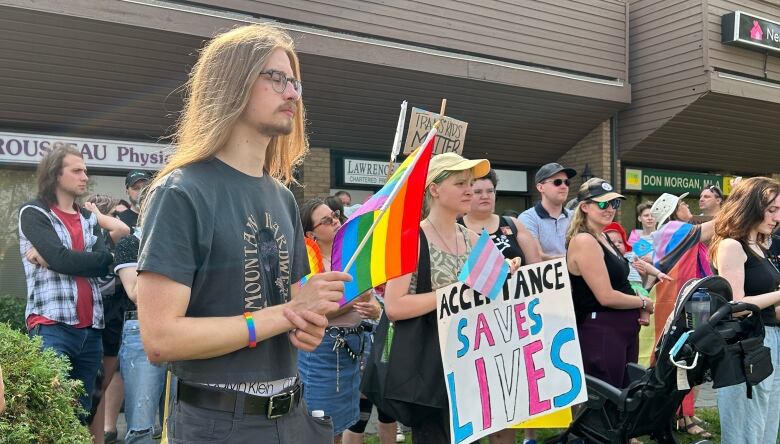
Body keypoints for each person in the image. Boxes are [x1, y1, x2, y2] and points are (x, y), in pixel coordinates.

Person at [136, 24, 351, 443]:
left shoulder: (283, 197)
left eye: (294, 82)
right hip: (217, 422)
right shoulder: (181, 192)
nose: (292, 93)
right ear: (230, 83)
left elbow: (292, 305)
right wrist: (285, 314)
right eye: (275, 78)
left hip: (295, 414)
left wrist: (311, 322)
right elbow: (160, 338)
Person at [384, 152, 492, 443]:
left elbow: (489, 296)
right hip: (431, 369)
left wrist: (506, 275)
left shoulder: (473, 238)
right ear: (434, 189)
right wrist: (453, 293)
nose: (470, 189)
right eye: (460, 183)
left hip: (470, 363)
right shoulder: (410, 239)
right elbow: (394, 306)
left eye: (471, 182)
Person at [18, 146, 113, 426]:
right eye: (77, 170)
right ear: (55, 174)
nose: (85, 176)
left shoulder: (88, 218)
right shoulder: (33, 213)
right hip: (52, 325)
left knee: (82, 415)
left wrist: (59, 260)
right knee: (52, 414)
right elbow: (64, 257)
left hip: (91, 329)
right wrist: (66, 259)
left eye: (85, 170)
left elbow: (105, 262)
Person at [458, 168, 542, 444]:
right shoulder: (455, 227)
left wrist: (519, 271)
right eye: (478, 191)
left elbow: (539, 268)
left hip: (511, 327)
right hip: (470, 328)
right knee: (471, 403)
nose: (484, 196)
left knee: (506, 403)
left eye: (489, 191)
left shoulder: (513, 224)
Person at [297, 198, 381, 442]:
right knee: (318, 424)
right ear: (311, 234)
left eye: (334, 215)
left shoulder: (352, 256)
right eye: (326, 220)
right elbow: (312, 311)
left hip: (351, 351)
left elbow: (371, 300)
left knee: (340, 424)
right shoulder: (306, 264)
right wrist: (354, 300)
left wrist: (374, 310)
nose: (335, 221)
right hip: (322, 351)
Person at [709, 177, 780, 444]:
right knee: (745, 427)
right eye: (771, 210)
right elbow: (736, 306)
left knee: (765, 425)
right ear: (750, 206)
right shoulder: (731, 245)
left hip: (768, 338)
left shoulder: (759, 246)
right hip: (744, 346)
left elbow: (768, 306)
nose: (777, 217)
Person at [566, 178, 654, 389]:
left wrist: (640, 304)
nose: (610, 209)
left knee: (625, 397)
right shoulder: (584, 241)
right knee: (607, 403)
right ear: (585, 207)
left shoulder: (603, 236)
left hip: (621, 328)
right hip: (601, 329)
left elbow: (622, 282)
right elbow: (605, 296)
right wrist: (643, 303)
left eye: (614, 203)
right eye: (603, 204)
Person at [83, 194, 130, 443]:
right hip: (91, 310)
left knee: (101, 387)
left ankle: (98, 438)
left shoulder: (115, 241)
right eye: (112, 214)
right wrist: (97, 217)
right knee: (91, 384)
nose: (117, 219)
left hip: (113, 311)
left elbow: (123, 230)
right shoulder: (91, 237)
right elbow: (122, 227)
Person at [114, 229, 167, 443]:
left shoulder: (186, 239)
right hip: (141, 327)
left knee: (178, 421)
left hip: (184, 328)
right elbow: (136, 293)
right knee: (141, 427)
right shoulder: (130, 244)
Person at [519, 162, 577, 260]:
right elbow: (537, 257)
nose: (564, 186)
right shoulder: (528, 218)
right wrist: (576, 259)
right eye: (557, 182)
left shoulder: (574, 216)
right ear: (540, 187)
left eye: (567, 182)